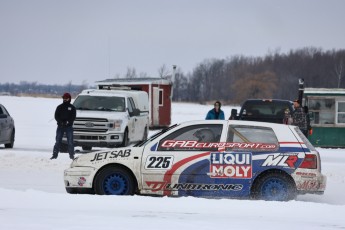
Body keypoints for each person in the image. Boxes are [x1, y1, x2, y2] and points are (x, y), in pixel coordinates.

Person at [50, 93, 76, 160]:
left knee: (70, 142)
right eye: (64, 98)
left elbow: (73, 117)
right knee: (58, 141)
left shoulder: (72, 108)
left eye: (66, 98)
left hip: (69, 127)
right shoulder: (59, 107)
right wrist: (60, 121)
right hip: (60, 127)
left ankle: (72, 156)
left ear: (69, 99)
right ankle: (54, 155)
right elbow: (56, 116)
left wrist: (68, 122)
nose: (64, 99)